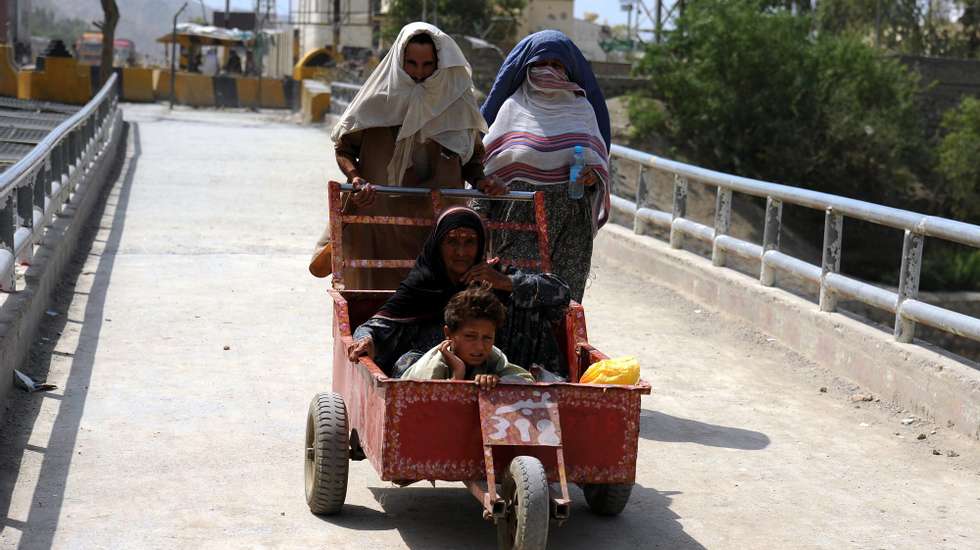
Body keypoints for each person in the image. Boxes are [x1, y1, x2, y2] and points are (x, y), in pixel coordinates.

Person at [309, 22, 506, 289]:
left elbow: (470, 159)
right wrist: (355, 178)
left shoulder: (457, 104)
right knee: (376, 288)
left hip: (436, 222)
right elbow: (344, 149)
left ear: (441, 63)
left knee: (436, 291)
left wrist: (482, 181)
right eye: (411, 64)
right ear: (400, 60)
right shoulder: (377, 100)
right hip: (380, 217)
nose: (419, 73)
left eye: (427, 65)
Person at [348, 207, 571, 377]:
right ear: (438, 246)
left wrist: (504, 282)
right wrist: (366, 340)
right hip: (440, 372)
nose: (461, 251)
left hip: (497, 368)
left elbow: (561, 292)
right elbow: (372, 328)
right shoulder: (421, 285)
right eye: (452, 241)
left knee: (527, 305)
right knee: (406, 363)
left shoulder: (494, 273)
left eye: (470, 242)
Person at [477, 30, 612, 303]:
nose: (548, 71)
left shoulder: (582, 109)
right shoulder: (510, 108)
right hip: (516, 221)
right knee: (513, 296)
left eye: (557, 65)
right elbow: (488, 163)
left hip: (569, 227)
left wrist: (591, 176)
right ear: (527, 68)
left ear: (569, 70)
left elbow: (598, 160)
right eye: (541, 64)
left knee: (561, 302)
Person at [400, 284, 535, 388]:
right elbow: (425, 407)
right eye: (470, 336)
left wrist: (497, 381)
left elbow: (526, 380)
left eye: (487, 338)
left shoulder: (493, 356)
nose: (480, 346)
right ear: (449, 334)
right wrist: (457, 375)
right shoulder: (433, 365)